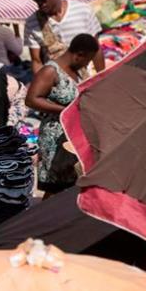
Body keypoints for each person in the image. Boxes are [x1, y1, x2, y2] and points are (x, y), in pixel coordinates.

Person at [25, 33, 98, 196]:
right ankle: (42, 220)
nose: (87, 64)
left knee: (69, 185)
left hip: (69, 135)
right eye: (88, 60)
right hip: (54, 137)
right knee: (54, 188)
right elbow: (31, 99)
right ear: (79, 55)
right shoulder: (51, 71)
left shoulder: (76, 72)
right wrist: (65, 110)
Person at [24, 0, 104, 75]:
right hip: (59, 81)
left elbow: (96, 49)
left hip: (87, 75)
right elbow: (36, 61)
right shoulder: (32, 23)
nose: (41, 2)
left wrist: (102, 77)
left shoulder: (83, 11)